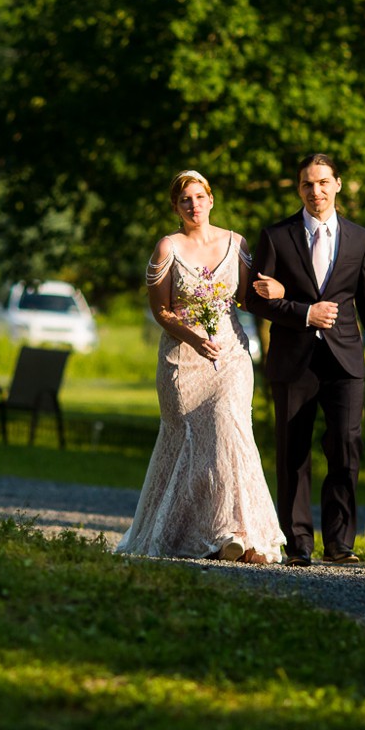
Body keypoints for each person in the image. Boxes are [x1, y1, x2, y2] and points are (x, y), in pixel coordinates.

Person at [114, 170, 285, 565]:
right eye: (185, 200)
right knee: (192, 441)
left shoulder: (236, 243)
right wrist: (191, 337)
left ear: (211, 199)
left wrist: (280, 290)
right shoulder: (167, 248)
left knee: (231, 429)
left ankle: (239, 533)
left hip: (229, 356)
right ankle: (192, 533)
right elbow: (160, 310)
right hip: (182, 359)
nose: (194, 205)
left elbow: (247, 298)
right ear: (176, 207)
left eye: (199, 197)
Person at [245, 153, 365, 566]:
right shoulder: (276, 236)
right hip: (293, 360)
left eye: (322, 182)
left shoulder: (359, 238)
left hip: (346, 361)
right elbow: (253, 301)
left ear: (337, 185)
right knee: (293, 453)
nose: (315, 191)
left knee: (345, 447)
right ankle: (298, 545)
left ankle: (340, 544)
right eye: (306, 184)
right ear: (299, 189)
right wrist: (302, 312)